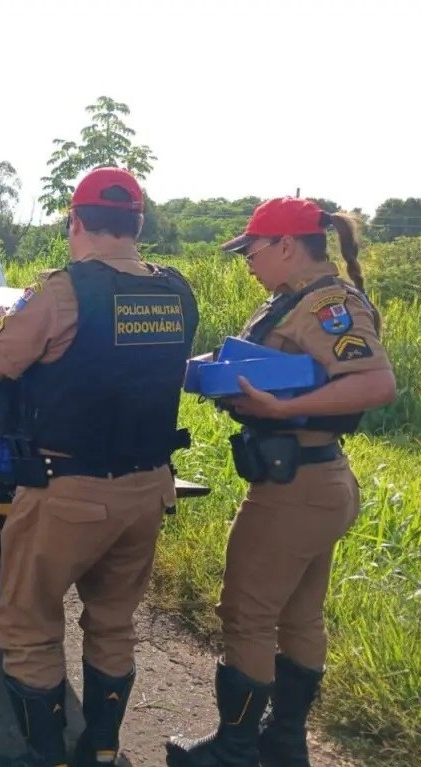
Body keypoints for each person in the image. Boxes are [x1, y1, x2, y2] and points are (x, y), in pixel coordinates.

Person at [0, 167, 200, 767]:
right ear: (138, 224)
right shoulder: (178, 291)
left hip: (69, 492)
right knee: (113, 623)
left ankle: (48, 757)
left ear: (76, 222)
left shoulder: (63, 291)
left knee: (29, 625)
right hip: (150, 489)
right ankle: (101, 749)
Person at [165, 197, 397, 767]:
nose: (246, 260)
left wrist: (277, 412)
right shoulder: (292, 301)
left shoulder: (328, 306)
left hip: (296, 486)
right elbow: (247, 359)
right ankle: (283, 741)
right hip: (314, 479)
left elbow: (375, 384)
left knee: (246, 614)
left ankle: (235, 750)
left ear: (288, 245)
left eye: (253, 248)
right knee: (298, 616)